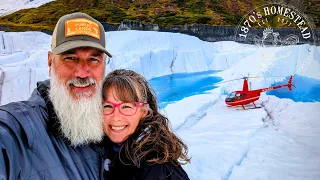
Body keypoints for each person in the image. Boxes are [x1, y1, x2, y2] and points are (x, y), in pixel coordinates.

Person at [0, 12, 112, 179]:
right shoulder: (20, 130)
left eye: (93, 59)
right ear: (50, 62)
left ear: (104, 64)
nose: (82, 73)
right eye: (70, 58)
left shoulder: (116, 121)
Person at [102, 69, 190, 180]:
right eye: (107, 106)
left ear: (144, 112)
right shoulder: (102, 152)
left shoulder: (156, 168)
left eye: (126, 107)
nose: (116, 117)